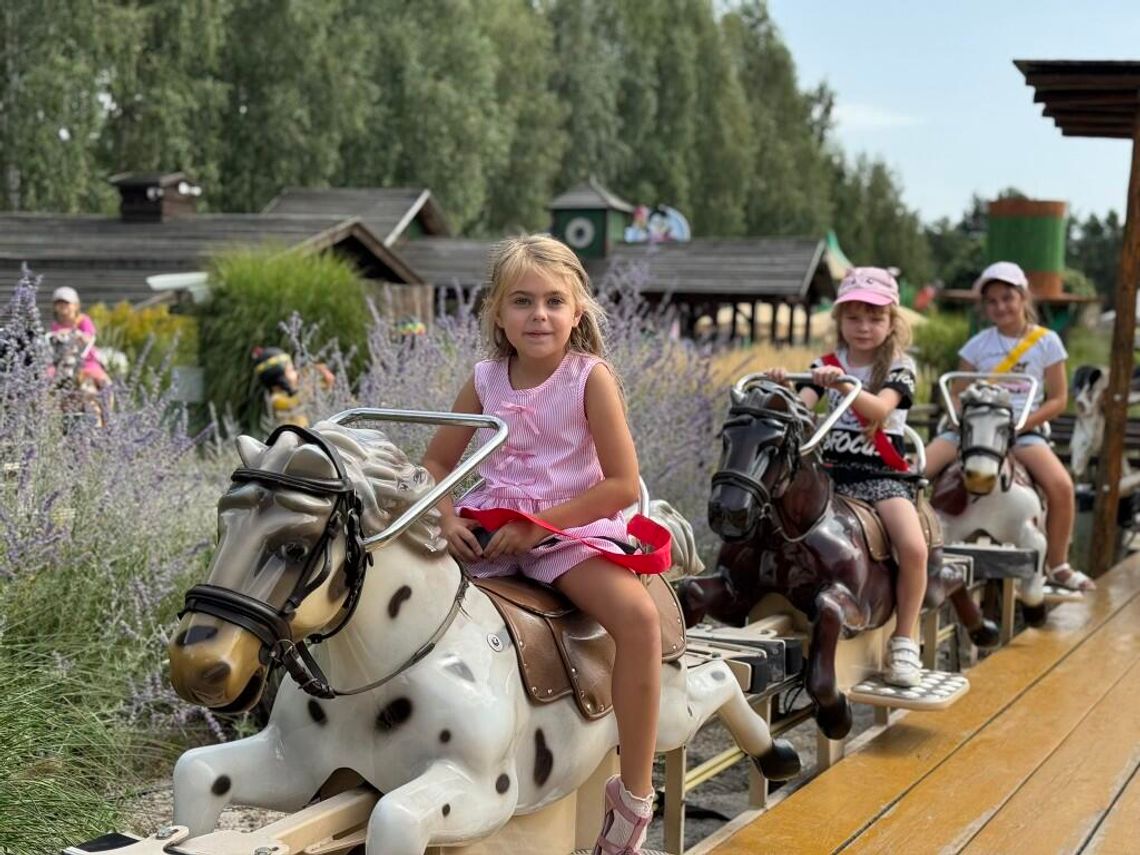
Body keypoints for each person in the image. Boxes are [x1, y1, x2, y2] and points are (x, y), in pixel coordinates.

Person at [422, 234, 660, 854]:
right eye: (522, 302)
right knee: (403, 590)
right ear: (497, 314)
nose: (539, 315)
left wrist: (541, 524)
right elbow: (436, 463)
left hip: (567, 528)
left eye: (555, 301)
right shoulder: (484, 379)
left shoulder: (589, 378)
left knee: (637, 618)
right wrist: (446, 519)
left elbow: (621, 484)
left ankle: (633, 796)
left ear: (577, 311)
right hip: (491, 526)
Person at [768, 267, 927, 687]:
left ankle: (905, 639)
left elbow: (881, 411)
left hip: (879, 477)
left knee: (912, 546)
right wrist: (784, 389)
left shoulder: (899, 366)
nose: (864, 327)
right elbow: (800, 414)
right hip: (830, 475)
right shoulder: (826, 365)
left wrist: (840, 385)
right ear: (839, 320)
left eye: (875, 318)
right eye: (854, 317)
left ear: (892, 322)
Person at [924, 260, 1094, 591]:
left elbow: (1058, 399)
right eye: (992, 301)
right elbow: (958, 394)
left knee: (1061, 486)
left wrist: (1021, 424)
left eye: (1007, 297)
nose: (1000, 306)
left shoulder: (1047, 342)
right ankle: (912, 549)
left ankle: (1057, 563)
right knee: (916, 470)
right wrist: (967, 421)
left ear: (1022, 298)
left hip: (1021, 430)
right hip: (974, 428)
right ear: (984, 307)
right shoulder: (978, 345)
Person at [251, 346, 334, 429]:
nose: (296, 373)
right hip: (290, 436)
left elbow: (320, 390)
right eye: (291, 370)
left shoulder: (294, 391)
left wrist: (325, 379)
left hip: (305, 431)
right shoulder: (276, 399)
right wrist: (307, 390)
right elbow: (293, 402)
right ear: (278, 378)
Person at [50, 286, 110, 390]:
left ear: (75, 305)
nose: (62, 306)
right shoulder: (56, 325)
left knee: (103, 381)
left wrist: (77, 334)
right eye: (59, 303)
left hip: (86, 360)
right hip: (63, 362)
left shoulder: (83, 320)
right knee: (48, 375)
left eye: (66, 303)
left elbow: (89, 336)